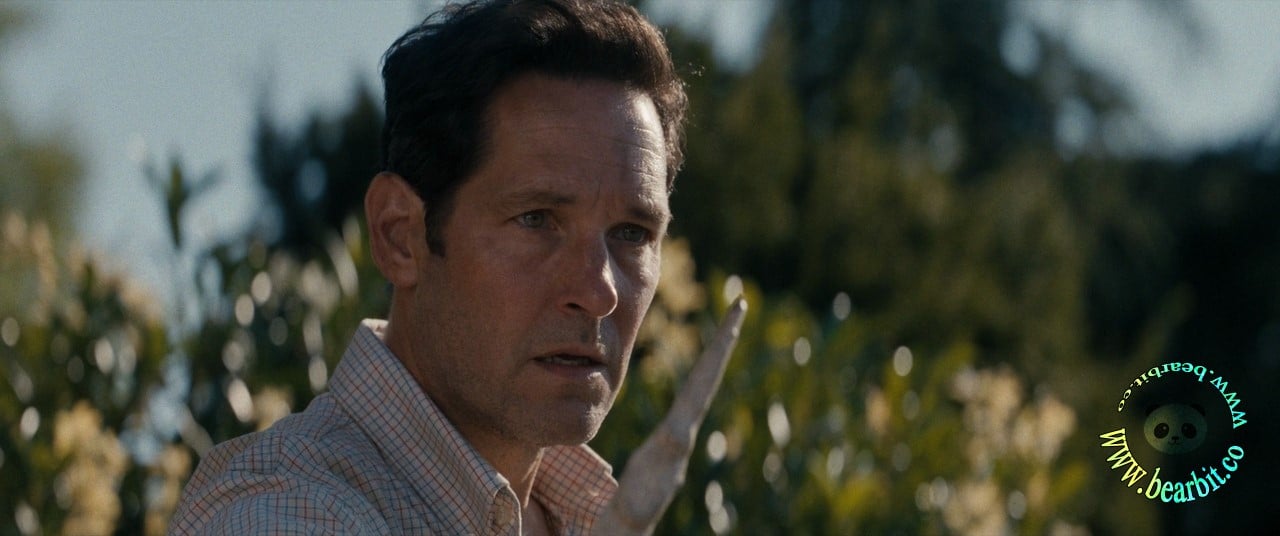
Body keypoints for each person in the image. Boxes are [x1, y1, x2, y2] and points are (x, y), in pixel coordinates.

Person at [170, 1, 745, 534]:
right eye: (536, 219)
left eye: (632, 234)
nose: (599, 291)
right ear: (399, 235)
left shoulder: (579, 512)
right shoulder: (285, 513)